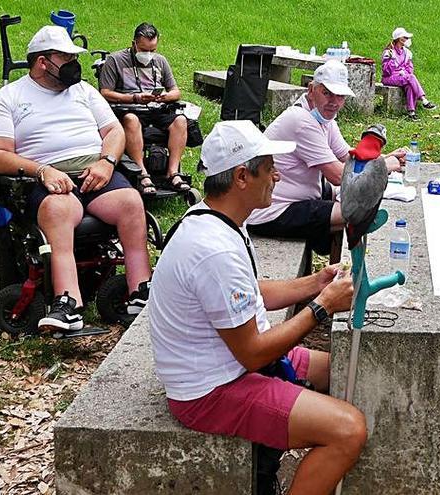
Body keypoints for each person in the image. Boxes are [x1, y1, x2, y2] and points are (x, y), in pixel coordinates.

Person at [149, 120, 364, 494]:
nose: (277, 177)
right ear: (241, 176)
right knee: (349, 429)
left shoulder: (219, 219)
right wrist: (320, 307)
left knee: (345, 371)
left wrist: (315, 283)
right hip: (210, 390)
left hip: (226, 364)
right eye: (269, 169)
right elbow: (250, 354)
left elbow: (249, 294)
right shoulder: (213, 249)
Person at [0, 26, 152, 334]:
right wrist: (41, 170)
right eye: (67, 57)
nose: (74, 63)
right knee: (59, 211)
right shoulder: (9, 98)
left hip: (94, 171)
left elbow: (114, 131)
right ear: (43, 62)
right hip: (44, 177)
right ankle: (68, 303)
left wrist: (107, 162)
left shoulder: (84, 91)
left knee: (131, 203)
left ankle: (141, 292)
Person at [247, 60, 405, 255]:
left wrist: (384, 157)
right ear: (311, 90)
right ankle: (342, 274)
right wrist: (384, 165)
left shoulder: (322, 117)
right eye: (327, 93)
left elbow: (347, 157)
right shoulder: (302, 121)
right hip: (272, 211)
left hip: (299, 196)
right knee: (354, 213)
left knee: (352, 204)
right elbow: (339, 176)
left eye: (340, 96)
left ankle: (338, 269)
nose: (334, 102)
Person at [98, 22, 189, 194]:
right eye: (144, 50)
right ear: (134, 44)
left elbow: (176, 91)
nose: (148, 54)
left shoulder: (160, 61)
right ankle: (143, 173)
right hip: (129, 108)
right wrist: (134, 98)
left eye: (152, 50)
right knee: (131, 120)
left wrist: (165, 96)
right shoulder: (116, 61)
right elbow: (105, 92)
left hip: (157, 107)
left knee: (181, 121)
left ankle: (173, 172)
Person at [381, 27, 438, 120]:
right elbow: (386, 71)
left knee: (409, 85)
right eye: (405, 37)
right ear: (399, 39)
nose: (407, 39)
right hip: (389, 78)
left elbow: (410, 69)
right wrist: (392, 60)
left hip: (402, 77)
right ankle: (424, 100)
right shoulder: (389, 52)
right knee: (410, 78)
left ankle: (411, 112)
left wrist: (404, 73)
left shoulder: (407, 53)